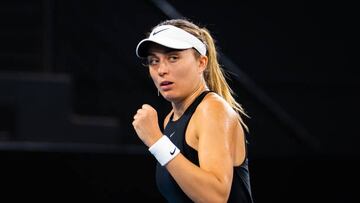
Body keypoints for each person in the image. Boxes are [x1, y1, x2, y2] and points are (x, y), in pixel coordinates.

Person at [132, 18, 253, 203]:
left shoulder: (212, 110)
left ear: (201, 63)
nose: (161, 69)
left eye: (173, 57)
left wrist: (157, 141)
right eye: (153, 61)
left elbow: (215, 197)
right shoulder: (170, 119)